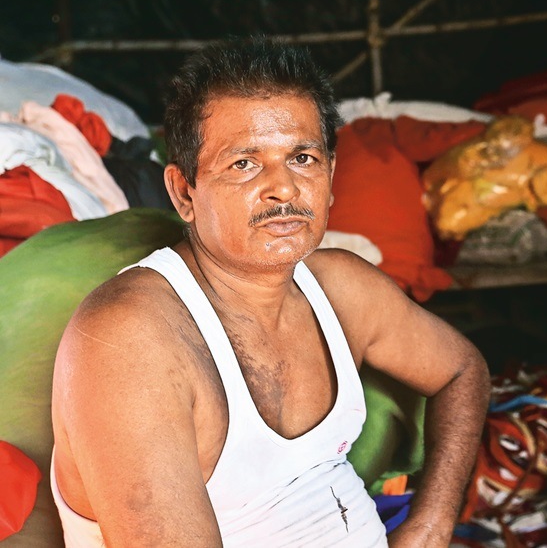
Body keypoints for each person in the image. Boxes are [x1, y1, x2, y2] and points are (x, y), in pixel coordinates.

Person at [50, 38, 490, 547]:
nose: (283, 187)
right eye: (245, 163)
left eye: (302, 157)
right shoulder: (133, 339)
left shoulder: (341, 287)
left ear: (330, 179)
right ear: (184, 193)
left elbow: (463, 369)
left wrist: (432, 522)